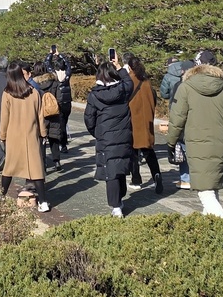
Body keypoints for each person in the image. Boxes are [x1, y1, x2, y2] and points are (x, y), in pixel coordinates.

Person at [166, 55, 223, 217]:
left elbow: (176, 119)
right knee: (211, 186)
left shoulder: (186, 88)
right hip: (221, 142)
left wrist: (171, 142)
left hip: (196, 143)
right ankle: (210, 224)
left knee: (204, 191)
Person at [84, 59, 134, 217]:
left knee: (110, 171)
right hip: (124, 135)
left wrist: (97, 133)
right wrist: (120, 68)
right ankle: (120, 197)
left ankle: (116, 206)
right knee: (119, 166)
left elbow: (89, 119)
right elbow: (129, 82)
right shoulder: (123, 90)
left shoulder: (94, 95)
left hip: (105, 138)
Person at [0, 62, 51, 213]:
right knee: (36, 170)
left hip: (13, 136)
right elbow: (40, 115)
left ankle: (1, 196)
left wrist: (2, 135)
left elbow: (4, 118)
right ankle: (43, 202)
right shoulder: (34, 92)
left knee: (9, 168)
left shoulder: (7, 94)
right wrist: (43, 133)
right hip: (31, 135)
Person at [125, 55, 162, 193]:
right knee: (149, 151)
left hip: (132, 121)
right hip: (146, 121)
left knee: (133, 152)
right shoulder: (146, 81)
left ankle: (136, 180)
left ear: (129, 67)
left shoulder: (128, 80)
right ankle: (157, 175)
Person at [30, 62, 64, 170]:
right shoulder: (54, 82)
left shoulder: (35, 85)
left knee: (42, 139)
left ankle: (43, 163)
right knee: (54, 138)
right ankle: (57, 161)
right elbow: (60, 99)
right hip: (54, 114)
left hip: (41, 115)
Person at [45, 44, 73, 154]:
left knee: (59, 124)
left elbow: (47, 63)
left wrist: (50, 54)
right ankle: (63, 144)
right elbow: (68, 65)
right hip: (67, 101)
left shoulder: (54, 75)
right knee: (64, 122)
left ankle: (62, 144)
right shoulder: (67, 74)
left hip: (59, 101)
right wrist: (60, 54)